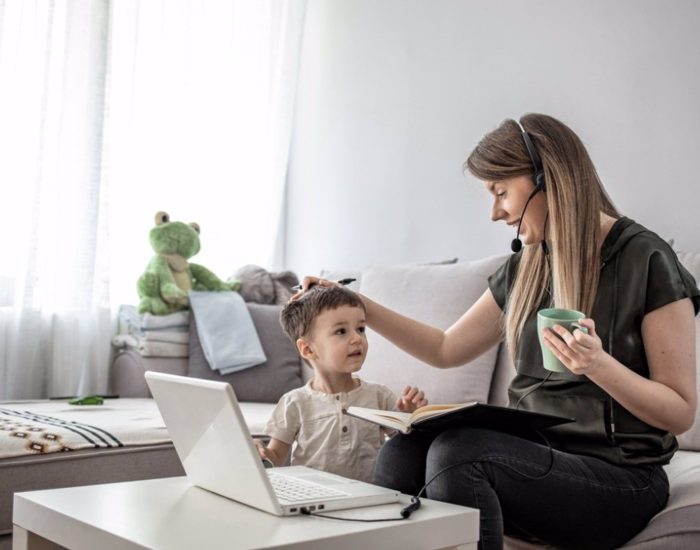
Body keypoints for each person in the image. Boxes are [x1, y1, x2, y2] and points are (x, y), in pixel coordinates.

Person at [295, 113, 700, 549]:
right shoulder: (528, 263)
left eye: (501, 192)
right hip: (537, 457)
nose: (495, 213)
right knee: (402, 452)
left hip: (621, 480)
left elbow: (679, 413)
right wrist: (358, 305)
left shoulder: (647, 259)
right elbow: (445, 348)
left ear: (548, 178)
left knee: (458, 456)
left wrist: (597, 365)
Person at [256, 285, 428, 483]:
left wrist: (411, 420)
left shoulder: (379, 396)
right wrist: (258, 451)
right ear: (307, 349)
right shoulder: (294, 402)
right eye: (341, 331)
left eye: (361, 329)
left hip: (371, 499)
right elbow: (275, 458)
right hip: (314, 500)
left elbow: (401, 455)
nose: (357, 338)